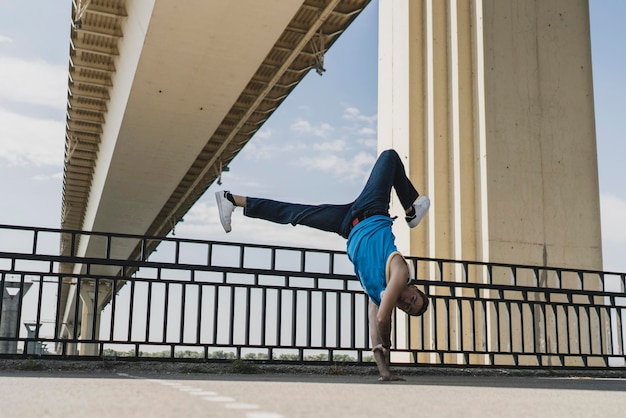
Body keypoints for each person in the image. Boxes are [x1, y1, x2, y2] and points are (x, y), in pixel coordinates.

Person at [215, 149, 430, 381]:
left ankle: (231, 200)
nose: (407, 303)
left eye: (407, 308)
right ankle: (411, 211)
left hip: (347, 223)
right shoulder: (400, 271)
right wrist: (388, 343)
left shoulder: (377, 293)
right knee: (389, 157)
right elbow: (381, 321)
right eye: (413, 300)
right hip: (371, 208)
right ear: (414, 288)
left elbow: (374, 333)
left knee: (295, 214)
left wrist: (385, 371)